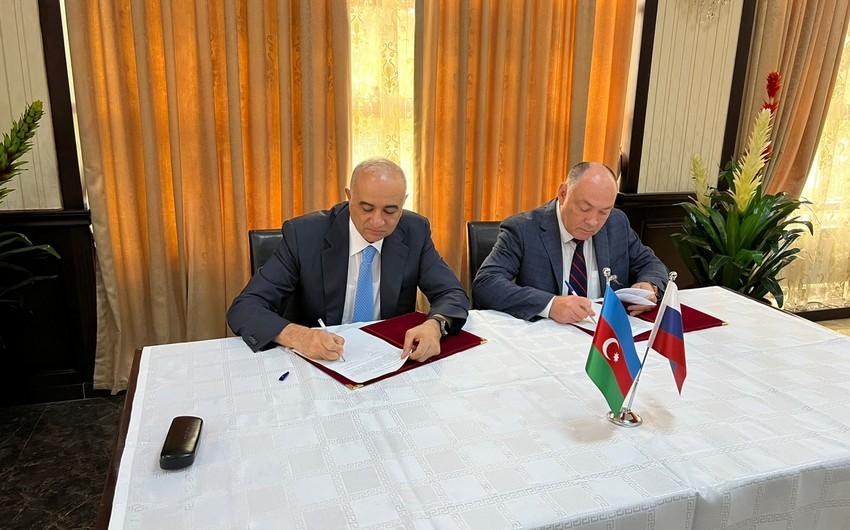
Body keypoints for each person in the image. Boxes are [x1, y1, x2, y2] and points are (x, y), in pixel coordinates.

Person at [228, 158, 469, 362]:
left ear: (403, 203)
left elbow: (451, 292)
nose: (377, 221)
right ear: (349, 196)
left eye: (390, 211)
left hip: (387, 360)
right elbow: (246, 307)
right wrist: (299, 336)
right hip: (319, 360)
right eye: (366, 208)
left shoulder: (415, 231)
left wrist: (435, 325)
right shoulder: (304, 236)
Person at [472, 161, 668, 323]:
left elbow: (651, 264)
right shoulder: (523, 229)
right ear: (563, 193)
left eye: (603, 212)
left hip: (604, 337)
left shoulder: (616, 223)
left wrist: (649, 286)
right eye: (584, 208)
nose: (593, 222)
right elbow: (486, 283)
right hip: (547, 341)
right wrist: (550, 305)